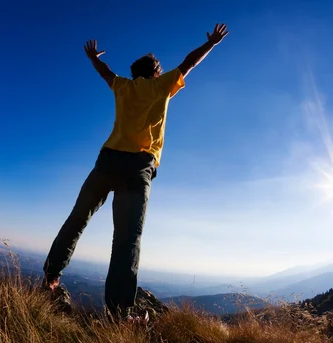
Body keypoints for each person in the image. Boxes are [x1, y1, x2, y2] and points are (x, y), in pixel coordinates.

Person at [42, 23, 229, 318]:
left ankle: (51, 277)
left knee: (78, 217)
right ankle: (118, 313)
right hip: (137, 167)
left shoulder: (124, 87)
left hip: (108, 161)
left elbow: (105, 73)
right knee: (127, 238)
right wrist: (212, 44)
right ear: (156, 72)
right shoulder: (161, 85)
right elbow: (188, 63)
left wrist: (93, 57)